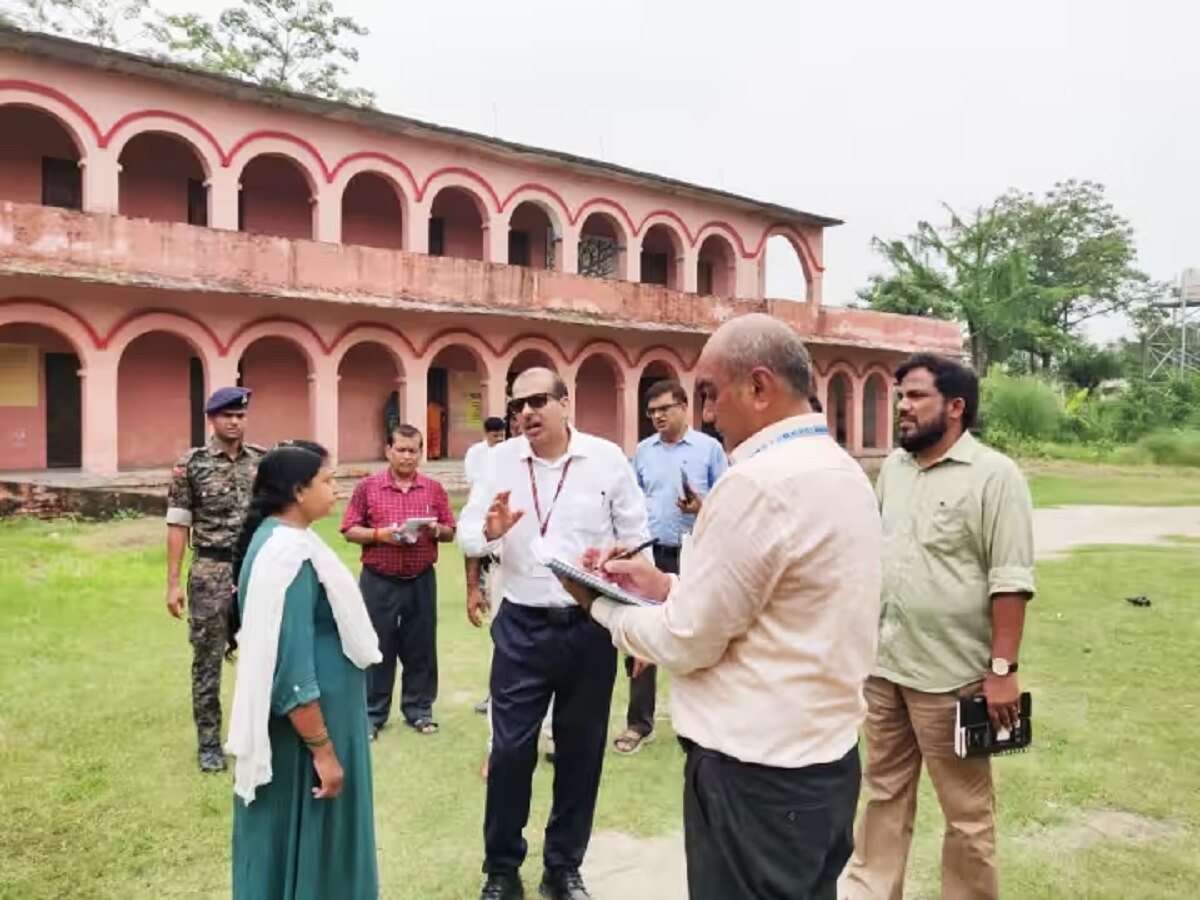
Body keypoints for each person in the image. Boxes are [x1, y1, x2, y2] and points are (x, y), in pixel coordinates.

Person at [560, 314, 883, 900]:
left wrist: (599, 606)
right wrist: (661, 585)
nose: (706, 414)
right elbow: (767, 604)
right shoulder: (842, 470)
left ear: (759, 387)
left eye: (710, 393)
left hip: (755, 780)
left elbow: (687, 640)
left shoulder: (757, 483)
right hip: (824, 766)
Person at [842, 354, 1035, 900]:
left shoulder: (995, 476)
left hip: (953, 680)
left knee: (968, 816)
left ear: (955, 407)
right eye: (901, 395)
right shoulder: (896, 470)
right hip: (886, 670)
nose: (902, 406)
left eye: (916, 397)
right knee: (882, 794)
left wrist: (1002, 671)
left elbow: (1010, 580)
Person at [459, 367, 651, 900]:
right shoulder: (500, 461)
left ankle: (563, 867)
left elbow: (636, 539)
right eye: (518, 404)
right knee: (512, 750)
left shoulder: (606, 459)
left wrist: (642, 625)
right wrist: (488, 533)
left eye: (538, 400)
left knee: (581, 752)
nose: (526, 413)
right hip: (521, 626)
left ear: (566, 403)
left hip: (591, 626)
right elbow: (467, 528)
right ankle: (501, 869)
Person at [226, 442, 381, 900]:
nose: (336, 489)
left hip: (321, 723)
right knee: (312, 845)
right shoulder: (286, 556)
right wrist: (323, 752)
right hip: (306, 737)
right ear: (298, 491)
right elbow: (291, 669)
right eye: (327, 480)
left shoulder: (284, 539)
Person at [616, 379, 726, 756]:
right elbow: (630, 501)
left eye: (665, 408)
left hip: (693, 555)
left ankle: (695, 726)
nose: (658, 416)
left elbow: (728, 502)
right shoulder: (643, 452)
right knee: (640, 640)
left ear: (684, 408)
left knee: (694, 635)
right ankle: (638, 724)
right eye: (652, 412)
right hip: (648, 556)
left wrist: (701, 506)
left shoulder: (710, 449)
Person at [165, 385, 265, 773]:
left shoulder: (261, 460)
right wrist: (173, 582)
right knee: (207, 661)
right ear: (212, 419)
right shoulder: (190, 464)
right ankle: (209, 744)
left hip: (254, 569)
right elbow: (177, 525)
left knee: (263, 655)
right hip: (210, 571)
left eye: (241, 416)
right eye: (228, 416)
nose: (236, 422)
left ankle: (256, 735)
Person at [340, 424, 457, 740]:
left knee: (420, 647)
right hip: (380, 580)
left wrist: (434, 530)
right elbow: (350, 529)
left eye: (413, 450)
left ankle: (419, 710)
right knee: (378, 646)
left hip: (420, 579)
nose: (407, 456)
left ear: (421, 453)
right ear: (388, 451)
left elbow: (450, 530)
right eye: (401, 449)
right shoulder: (368, 488)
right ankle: (372, 715)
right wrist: (381, 535)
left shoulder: (433, 489)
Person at [466, 416, 509, 485]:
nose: (499, 439)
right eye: (495, 436)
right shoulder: (475, 452)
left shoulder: (508, 450)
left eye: (502, 435)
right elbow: (472, 477)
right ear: (486, 433)